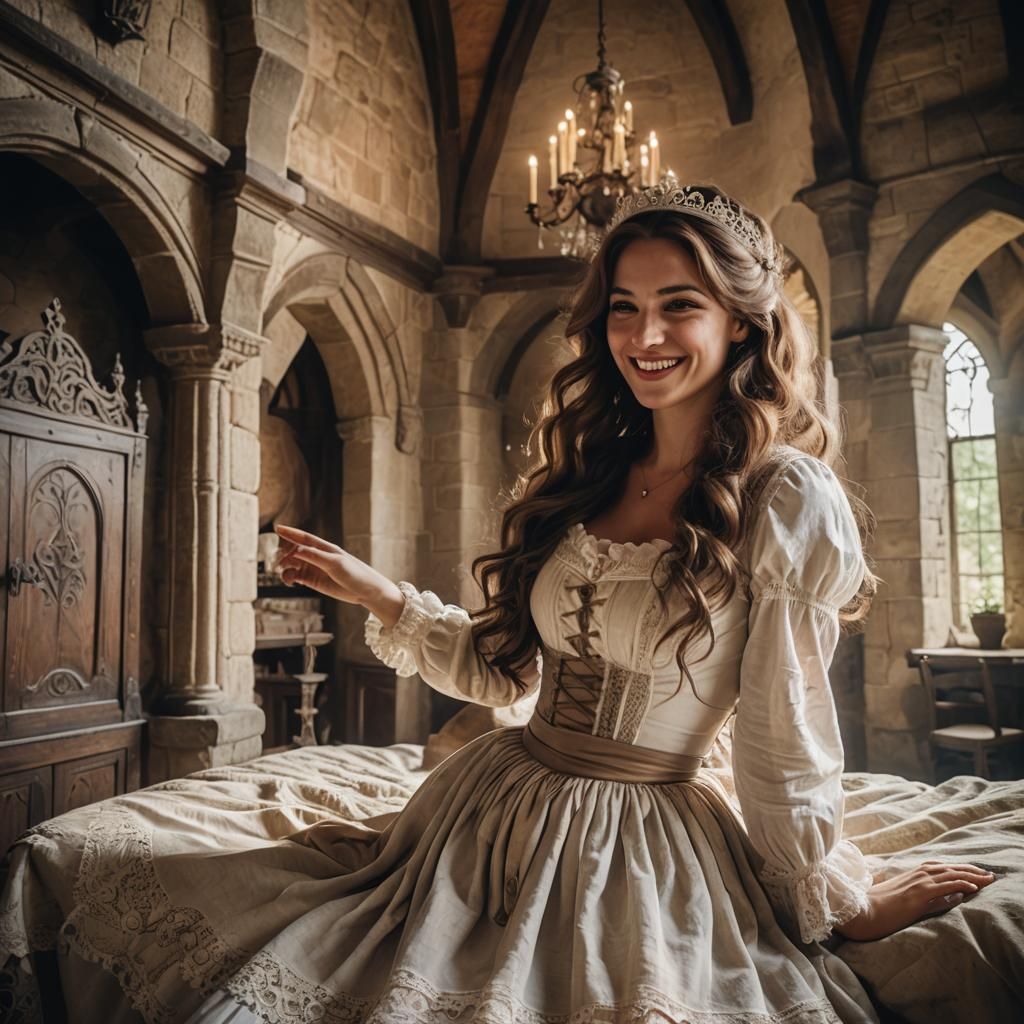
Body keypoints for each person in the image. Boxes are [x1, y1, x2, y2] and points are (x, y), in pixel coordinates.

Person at [196, 178, 996, 1023]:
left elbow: (781, 730)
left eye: (679, 305)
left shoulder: (785, 498)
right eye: (624, 307)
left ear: (742, 322)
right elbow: (505, 677)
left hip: (643, 837)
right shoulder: (590, 473)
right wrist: (377, 593)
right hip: (482, 810)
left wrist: (837, 898)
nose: (644, 335)